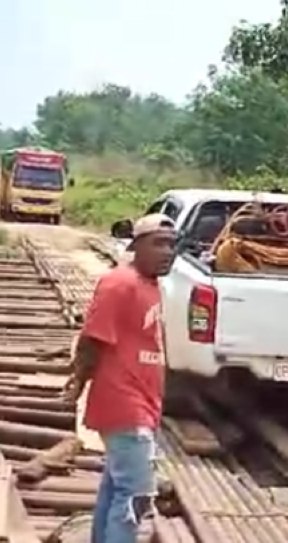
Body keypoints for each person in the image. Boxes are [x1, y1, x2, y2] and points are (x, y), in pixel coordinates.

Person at [62, 213, 177, 543]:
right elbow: (91, 340)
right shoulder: (119, 283)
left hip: (142, 404)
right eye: (158, 243)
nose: (167, 251)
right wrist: (77, 386)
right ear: (136, 245)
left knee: (116, 488)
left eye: (171, 244)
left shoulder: (151, 284)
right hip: (124, 404)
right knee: (136, 495)